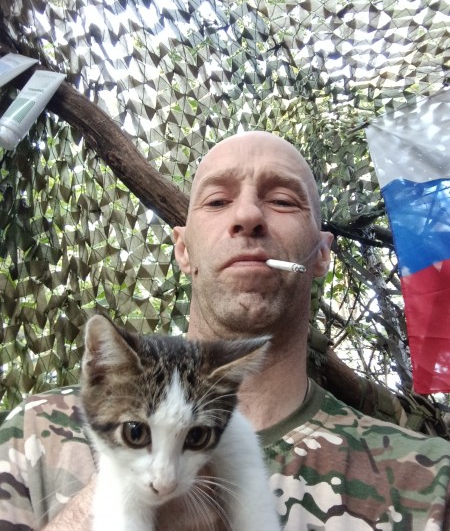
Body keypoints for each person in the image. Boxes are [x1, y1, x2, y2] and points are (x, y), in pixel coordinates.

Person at [1, 131, 449, 530]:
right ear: (182, 249)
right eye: (217, 201)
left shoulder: (429, 479)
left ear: (322, 254)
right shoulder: (36, 429)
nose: (248, 215)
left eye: (282, 200)